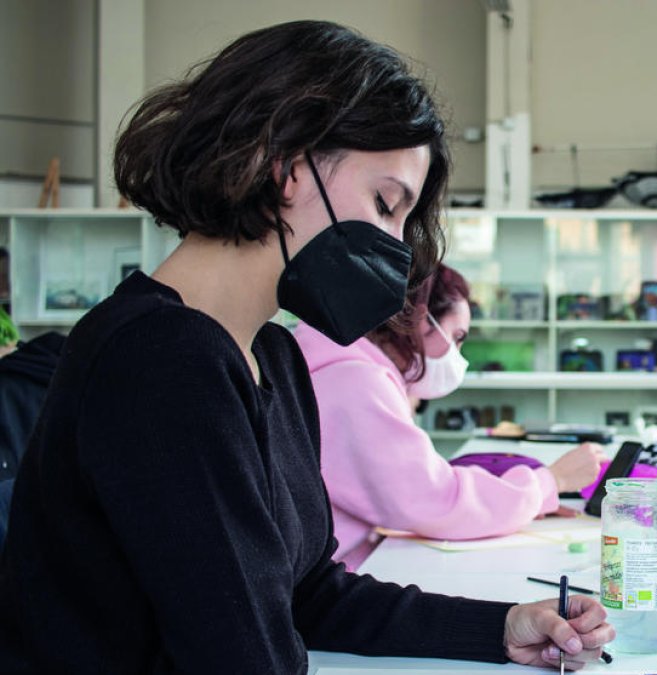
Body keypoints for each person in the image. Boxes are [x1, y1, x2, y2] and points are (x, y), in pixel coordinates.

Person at [0, 21, 611, 672]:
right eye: (384, 202)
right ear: (284, 163)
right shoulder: (158, 358)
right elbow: (240, 656)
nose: (398, 247)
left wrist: (502, 628)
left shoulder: (275, 355)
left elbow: (309, 593)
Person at [295, 263, 605, 569]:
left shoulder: (345, 371)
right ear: (418, 316)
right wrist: (551, 482)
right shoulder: (356, 383)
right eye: (456, 336)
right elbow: (438, 501)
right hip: (330, 593)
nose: (456, 354)